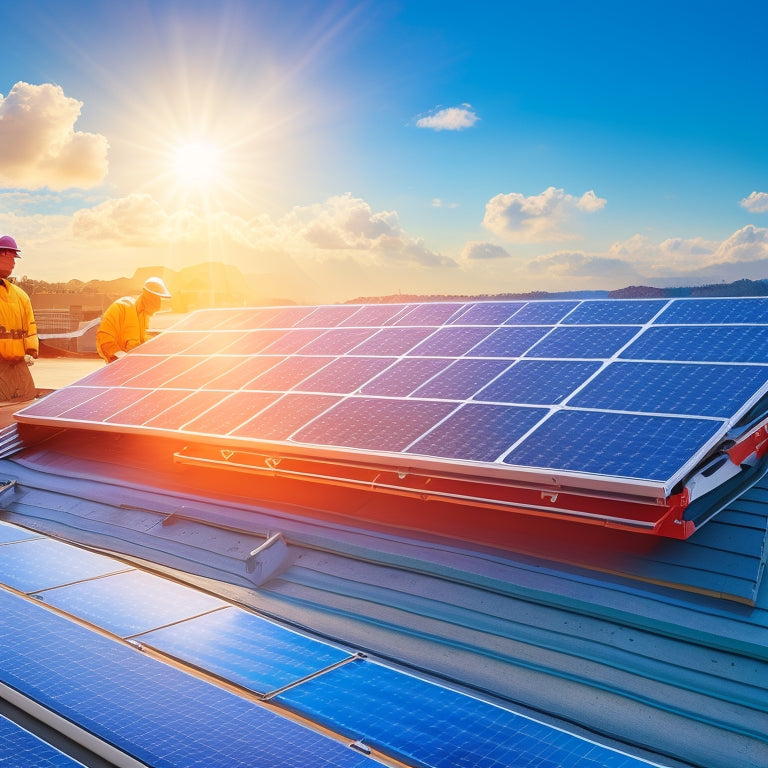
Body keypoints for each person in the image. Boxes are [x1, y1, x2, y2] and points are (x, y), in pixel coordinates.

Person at [96, 276, 172, 363]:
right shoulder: (121, 307)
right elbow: (104, 335)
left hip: (133, 362)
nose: (151, 313)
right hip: (117, 361)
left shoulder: (144, 315)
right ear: (147, 298)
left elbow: (141, 339)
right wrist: (118, 353)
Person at [0, 235, 38, 401]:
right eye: (11, 257)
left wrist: (30, 352)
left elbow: (30, 327)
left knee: (26, 402)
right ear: (1, 254)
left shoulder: (20, 295)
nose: (14, 263)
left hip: (19, 365)